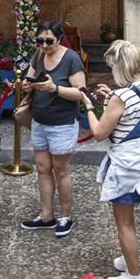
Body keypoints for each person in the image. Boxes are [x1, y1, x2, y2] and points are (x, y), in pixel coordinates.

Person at [80, 40, 140, 279]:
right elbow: (133, 106)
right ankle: (129, 260)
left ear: (119, 68)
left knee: (124, 223)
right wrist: (111, 96)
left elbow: (98, 133)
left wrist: (89, 107)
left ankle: (133, 278)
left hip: (127, 166)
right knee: (128, 220)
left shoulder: (120, 97)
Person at [20, 20, 87, 238]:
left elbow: (80, 93)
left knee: (61, 170)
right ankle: (46, 215)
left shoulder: (71, 58)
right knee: (42, 168)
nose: (44, 45)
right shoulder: (38, 55)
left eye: (49, 41)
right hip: (39, 120)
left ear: (59, 39)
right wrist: (27, 84)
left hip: (62, 123)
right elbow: (29, 76)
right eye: (40, 41)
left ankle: (66, 215)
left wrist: (55, 88)